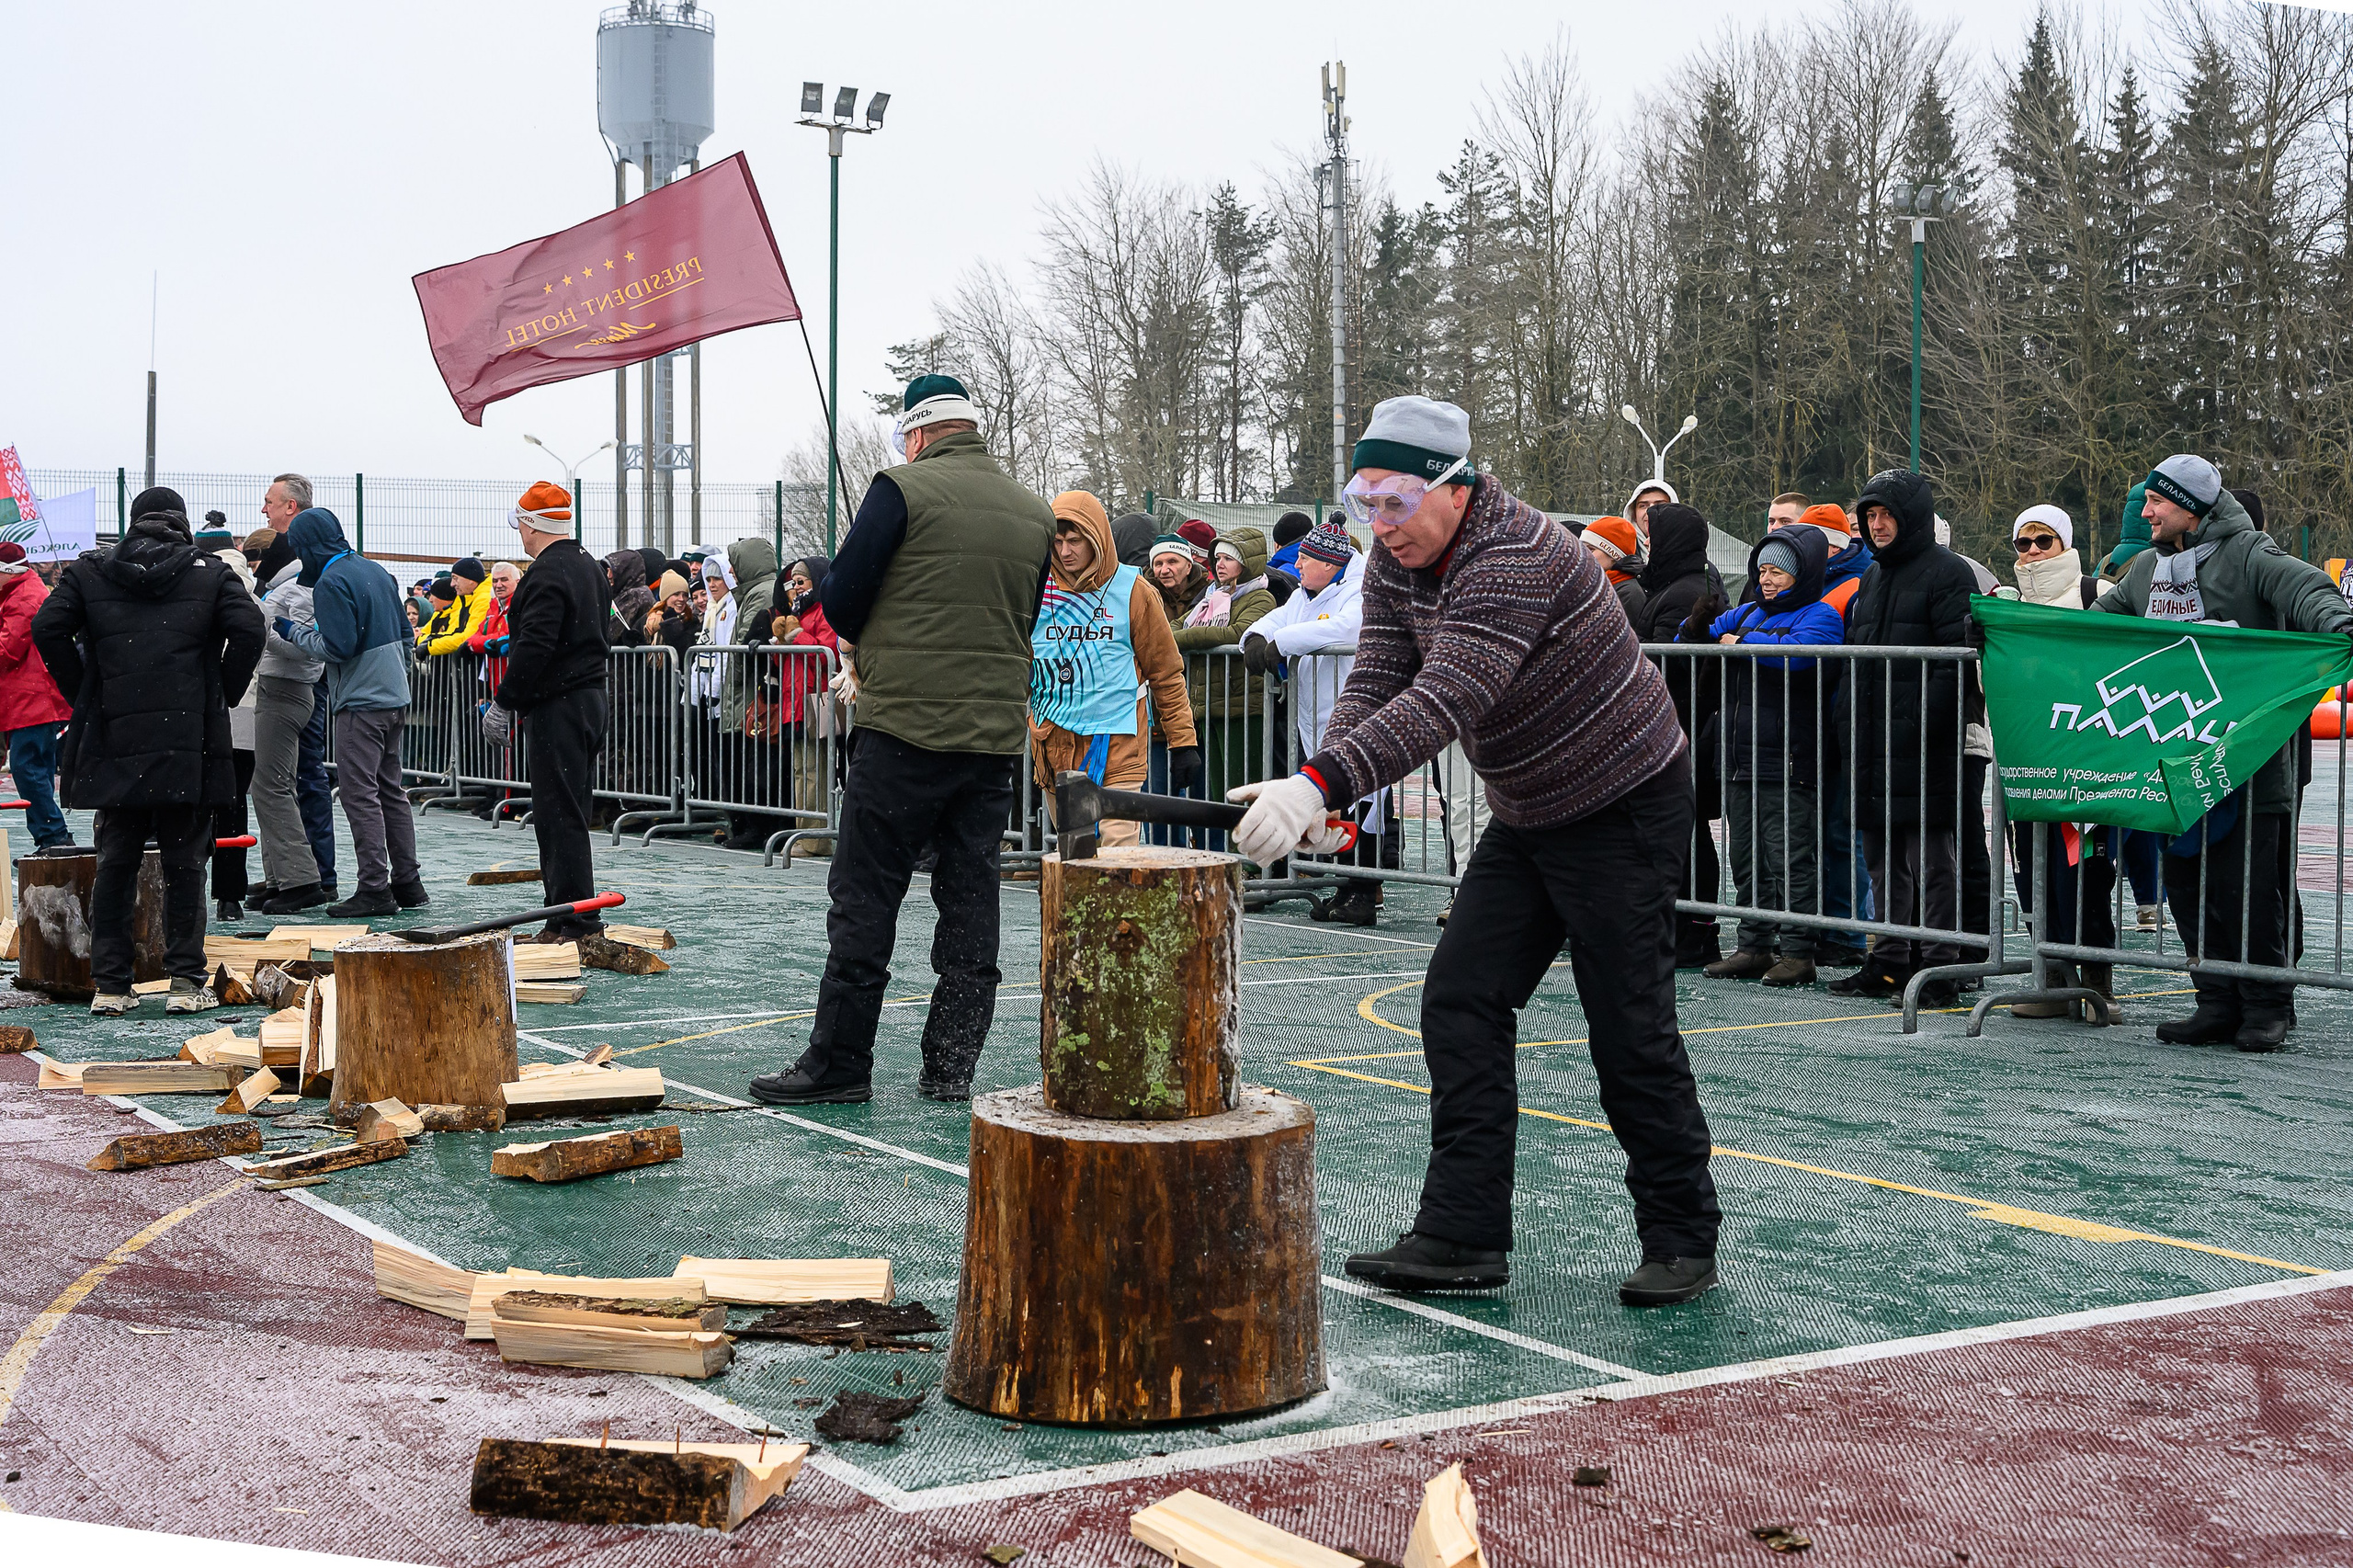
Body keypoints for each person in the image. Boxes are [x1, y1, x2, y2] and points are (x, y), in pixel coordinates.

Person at [1233, 395, 1720, 1306]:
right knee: (1460, 997)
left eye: (1397, 501)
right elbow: (1380, 677)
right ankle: (1462, 1230)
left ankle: (1682, 1233)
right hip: (1531, 806)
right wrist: (1325, 787)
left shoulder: (1515, 554)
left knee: (1628, 1025)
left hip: (1623, 800)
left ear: (1455, 488)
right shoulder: (1396, 560)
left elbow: (1448, 696)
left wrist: (1319, 784)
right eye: (1366, 503)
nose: (1382, 524)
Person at [748, 372, 1053, 1108]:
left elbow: (842, 601)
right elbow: (1024, 612)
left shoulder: (899, 488)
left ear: (916, 433)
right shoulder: (1034, 511)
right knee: (971, 899)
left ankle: (840, 1063)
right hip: (989, 737)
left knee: (865, 897)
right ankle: (951, 1065)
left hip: (904, 729)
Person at [2092, 455, 2351, 1051]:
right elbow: (2091, 629)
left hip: (2249, 765)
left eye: (2157, 501)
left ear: (2191, 506)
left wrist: (2340, 626)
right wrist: (2012, 632)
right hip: (2175, 764)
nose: (2146, 512)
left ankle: (2266, 1007)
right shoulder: (2146, 569)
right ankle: (2214, 1001)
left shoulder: (2249, 553)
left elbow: (2308, 589)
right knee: (2188, 887)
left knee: (2250, 892)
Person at [33, 486, 264, 1015]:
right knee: (186, 861)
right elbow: (251, 629)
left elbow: (47, 628)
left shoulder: (91, 571)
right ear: (181, 523)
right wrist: (221, 692)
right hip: (188, 734)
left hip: (116, 731)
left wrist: (85, 692)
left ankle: (112, 986)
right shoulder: (210, 572)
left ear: (134, 522)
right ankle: (185, 981)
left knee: (116, 860)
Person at [1829, 470, 1979, 1008]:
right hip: (1872, 740)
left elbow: (1956, 663)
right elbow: (1857, 655)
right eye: (1870, 516)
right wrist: (1848, 718)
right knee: (1882, 858)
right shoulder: (1872, 576)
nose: (1877, 525)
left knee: (1932, 861)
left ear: (1911, 517)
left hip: (1923, 745)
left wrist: (1919, 724)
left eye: (1886, 514)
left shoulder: (1949, 572)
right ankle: (1890, 960)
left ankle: (1939, 966)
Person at [1702, 527, 1844, 987]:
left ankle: (1799, 952)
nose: (1766, 579)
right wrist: (1702, 626)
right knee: (1746, 859)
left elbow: (1802, 655)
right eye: (1762, 570)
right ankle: (1753, 945)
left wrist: (1742, 645)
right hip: (1739, 757)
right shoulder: (1747, 611)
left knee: (1791, 859)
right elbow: (1701, 634)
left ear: (1802, 575)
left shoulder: (1821, 614)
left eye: (1777, 572)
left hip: (1789, 758)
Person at [1245, 514, 1392, 924]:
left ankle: (1363, 890)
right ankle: (1345, 885)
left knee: (1364, 802)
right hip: (1315, 717)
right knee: (1334, 802)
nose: (1297, 566)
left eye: (1305, 560)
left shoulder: (1359, 591)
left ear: (1329, 564)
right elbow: (1276, 620)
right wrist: (1256, 637)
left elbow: (1348, 629)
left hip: (1357, 712)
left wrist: (1282, 642)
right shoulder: (1304, 595)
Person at [483, 483, 613, 945]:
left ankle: (573, 921)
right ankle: (566, 916)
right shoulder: (588, 565)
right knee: (569, 811)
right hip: (589, 697)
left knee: (558, 815)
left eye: (520, 524)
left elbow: (536, 645)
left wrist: (504, 701)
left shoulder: (546, 573)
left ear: (531, 525)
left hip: (560, 703)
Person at [1029, 490, 1197, 849]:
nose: (1065, 551)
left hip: (1119, 744)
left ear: (1097, 538)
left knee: (1118, 855)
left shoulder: (1134, 591)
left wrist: (1182, 741)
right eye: (1057, 541)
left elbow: (1166, 672)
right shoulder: (1036, 590)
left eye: (1075, 541)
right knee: (1076, 855)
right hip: (1056, 744)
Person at [278, 508, 423, 917]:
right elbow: (406, 636)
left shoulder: (331, 581)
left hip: (360, 703)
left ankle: (374, 888)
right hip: (394, 698)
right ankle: (408, 883)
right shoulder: (375, 571)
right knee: (391, 791)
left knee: (360, 795)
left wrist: (293, 631)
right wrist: (395, 681)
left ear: (307, 547)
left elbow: (337, 648)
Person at [1638, 504, 1729, 968]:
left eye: (1654, 535)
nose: (1647, 543)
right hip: (1677, 728)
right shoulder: (1686, 585)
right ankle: (1684, 929)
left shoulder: (1684, 592)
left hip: (1678, 730)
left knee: (1684, 834)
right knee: (1678, 832)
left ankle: (1694, 931)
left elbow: (1664, 670)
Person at [263, 472, 336, 900]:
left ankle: (314, 874)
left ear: (291, 506)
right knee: (282, 780)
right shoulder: (290, 556)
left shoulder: (303, 564)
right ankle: (288, 873)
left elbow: (306, 640)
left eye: (270, 501)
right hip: (290, 680)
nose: (264, 509)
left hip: (300, 682)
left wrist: (266, 629)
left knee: (299, 776)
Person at [248, 526, 327, 913]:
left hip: (286, 690)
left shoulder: (299, 589)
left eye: (254, 559)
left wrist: (263, 632)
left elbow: (308, 649)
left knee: (272, 787)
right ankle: (280, 877)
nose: (252, 567)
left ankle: (300, 880)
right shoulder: (289, 587)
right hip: (281, 688)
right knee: (271, 786)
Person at [201, 524, 261, 921]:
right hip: (245, 718)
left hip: (203, 713)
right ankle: (230, 897)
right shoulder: (252, 594)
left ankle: (182, 890)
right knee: (233, 805)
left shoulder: (198, 588)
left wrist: (220, 692)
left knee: (185, 805)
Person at [0, 541, 74, 849]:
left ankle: (53, 836)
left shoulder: (23, 597)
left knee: (27, 767)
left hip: (31, 699)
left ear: (7, 572)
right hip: (32, 698)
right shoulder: (22, 591)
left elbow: (7, 650)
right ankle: (51, 837)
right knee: (33, 768)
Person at [418, 557, 491, 657]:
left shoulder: (484, 600)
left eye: (455, 578)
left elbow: (468, 637)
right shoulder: (465, 598)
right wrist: (426, 641)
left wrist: (428, 646)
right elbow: (454, 632)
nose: (452, 584)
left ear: (470, 579)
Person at [1580, 515, 1648, 622]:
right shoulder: (1595, 585)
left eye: (1591, 549)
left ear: (1613, 554)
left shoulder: (1629, 593)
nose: (1584, 554)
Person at [1624, 478, 1678, 548]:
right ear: (1634, 515)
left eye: (1660, 505)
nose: (1651, 511)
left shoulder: (1689, 549)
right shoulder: (1622, 550)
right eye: (1643, 506)